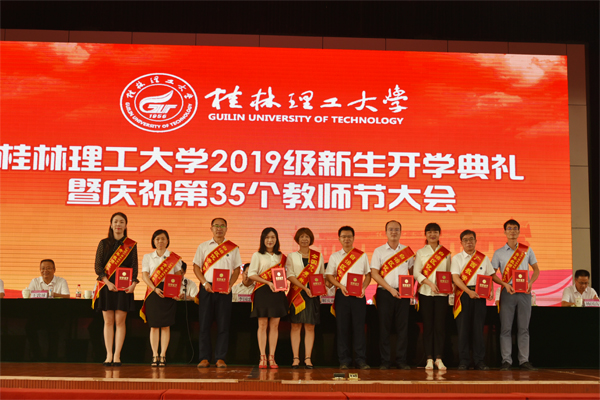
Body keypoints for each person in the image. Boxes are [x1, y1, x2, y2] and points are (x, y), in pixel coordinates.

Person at [492, 219, 540, 371]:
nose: (512, 231)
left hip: (525, 292)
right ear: (504, 232)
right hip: (508, 292)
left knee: (523, 328)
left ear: (519, 231)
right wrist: (504, 284)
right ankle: (506, 361)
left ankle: (524, 360)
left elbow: (536, 270)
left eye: (515, 228)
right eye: (509, 228)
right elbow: (492, 274)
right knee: (505, 328)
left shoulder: (527, 250)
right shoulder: (498, 253)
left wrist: (531, 282)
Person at [193, 217, 241, 369]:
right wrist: (204, 283)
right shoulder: (203, 246)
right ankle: (204, 358)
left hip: (225, 290)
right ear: (211, 228)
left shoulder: (232, 248)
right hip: (207, 288)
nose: (219, 228)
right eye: (216, 226)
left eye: (222, 226)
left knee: (223, 325)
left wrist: (230, 285)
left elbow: (237, 269)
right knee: (204, 325)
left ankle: (220, 358)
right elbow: (196, 267)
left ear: (226, 228)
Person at [93, 212, 138, 367]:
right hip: (106, 287)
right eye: (115, 221)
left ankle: (117, 355)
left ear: (126, 225)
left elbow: (134, 267)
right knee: (108, 321)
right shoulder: (103, 243)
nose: (118, 224)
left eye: (121, 222)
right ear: (111, 225)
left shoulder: (131, 245)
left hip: (124, 288)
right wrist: (107, 282)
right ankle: (108, 355)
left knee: (120, 322)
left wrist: (133, 284)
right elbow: (98, 267)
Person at [325, 226, 372, 370]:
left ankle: (360, 360)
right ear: (339, 238)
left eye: (349, 236)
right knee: (342, 328)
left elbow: (368, 275)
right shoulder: (334, 256)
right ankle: (344, 360)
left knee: (359, 329)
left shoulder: (361, 255)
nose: (347, 239)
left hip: (358, 296)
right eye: (344, 236)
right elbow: (329, 276)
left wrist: (363, 288)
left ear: (353, 238)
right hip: (342, 295)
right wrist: (340, 286)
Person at [370, 220, 414, 370]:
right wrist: (390, 289)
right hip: (385, 293)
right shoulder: (379, 251)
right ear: (386, 232)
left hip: (403, 294)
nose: (394, 232)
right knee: (384, 328)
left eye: (396, 229)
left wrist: (410, 289)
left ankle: (401, 360)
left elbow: (412, 272)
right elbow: (374, 274)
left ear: (401, 232)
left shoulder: (407, 251)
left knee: (403, 328)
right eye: (391, 229)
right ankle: (385, 361)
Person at [451, 230, 496, 370]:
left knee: (478, 329)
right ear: (461, 243)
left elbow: (489, 276)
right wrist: (468, 291)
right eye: (465, 240)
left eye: (471, 239)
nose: (469, 242)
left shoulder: (483, 258)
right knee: (463, 330)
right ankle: (463, 361)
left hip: (480, 296)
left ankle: (479, 361)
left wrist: (491, 291)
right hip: (463, 296)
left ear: (476, 241)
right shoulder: (457, 258)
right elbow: (455, 278)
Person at [141, 229, 183, 367]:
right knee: (154, 326)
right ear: (153, 241)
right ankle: (155, 355)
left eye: (163, 238)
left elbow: (178, 275)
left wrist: (176, 291)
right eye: (157, 239)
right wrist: (154, 288)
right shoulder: (148, 257)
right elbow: (145, 275)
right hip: (153, 292)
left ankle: (163, 355)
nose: (160, 241)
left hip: (169, 292)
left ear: (167, 241)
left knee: (165, 326)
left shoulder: (174, 258)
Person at [248, 227, 288, 369]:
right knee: (263, 324)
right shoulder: (257, 255)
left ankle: (272, 357)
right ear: (262, 239)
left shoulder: (281, 256)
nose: (270, 240)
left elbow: (285, 274)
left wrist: (283, 284)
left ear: (276, 239)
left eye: (272, 237)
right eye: (267, 237)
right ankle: (262, 357)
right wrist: (267, 282)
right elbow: (251, 274)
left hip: (277, 292)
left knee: (275, 326)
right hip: (263, 291)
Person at [414, 222, 451, 371]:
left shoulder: (446, 253)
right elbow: (416, 273)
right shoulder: (420, 252)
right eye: (429, 232)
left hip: (442, 295)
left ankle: (439, 358)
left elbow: (449, 274)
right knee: (428, 326)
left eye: (435, 232)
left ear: (439, 234)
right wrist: (430, 284)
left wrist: (447, 288)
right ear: (425, 235)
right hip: (425, 293)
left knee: (440, 327)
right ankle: (429, 358)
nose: (432, 234)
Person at [286, 227, 325, 369]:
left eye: (307, 236)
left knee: (310, 326)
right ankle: (296, 358)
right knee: (295, 326)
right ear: (297, 239)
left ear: (311, 239)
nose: (304, 239)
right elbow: (290, 275)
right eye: (301, 236)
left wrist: (322, 288)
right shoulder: (291, 256)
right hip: (297, 293)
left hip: (312, 294)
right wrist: (304, 288)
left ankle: (308, 358)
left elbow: (321, 275)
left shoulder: (318, 256)